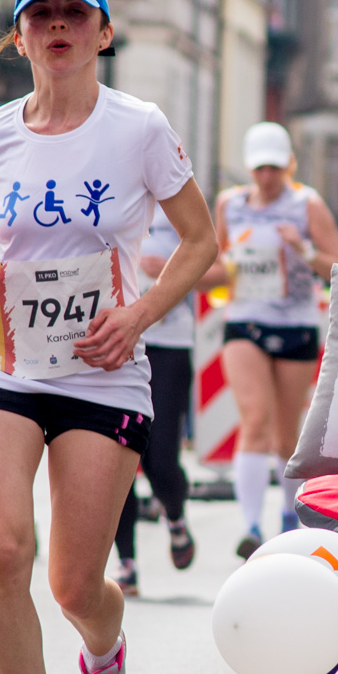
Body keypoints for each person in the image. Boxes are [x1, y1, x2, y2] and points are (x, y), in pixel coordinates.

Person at [0, 0, 218, 674]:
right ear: (19, 35)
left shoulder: (138, 128)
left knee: (72, 581)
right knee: (1, 548)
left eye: (74, 13)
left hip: (103, 368)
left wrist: (138, 317)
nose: (56, 26)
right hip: (5, 360)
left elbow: (201, 243)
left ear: (103, 32)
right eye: (40, 15)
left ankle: (103, 652)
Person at [215, 121, 338, 557]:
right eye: (258, 169)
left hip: (295, 325)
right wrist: (181, 274)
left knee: (287, 437)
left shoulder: (307, 205)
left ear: (288, 165)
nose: (266, 177)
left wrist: (304, 251)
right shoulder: (229, 205)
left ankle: (288, 519)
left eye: (274, 168)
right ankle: (250, 526)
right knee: (253, 421)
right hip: (244, 320)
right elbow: (215, 266)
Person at [111, 205, 201, 596]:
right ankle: (126, 563)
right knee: (113, 460)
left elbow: (216, 266)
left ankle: (175, 515)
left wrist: (168, 269)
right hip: (112, 342)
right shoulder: (103, 193)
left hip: (168, 346)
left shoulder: (176, 198)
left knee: (160, 457)